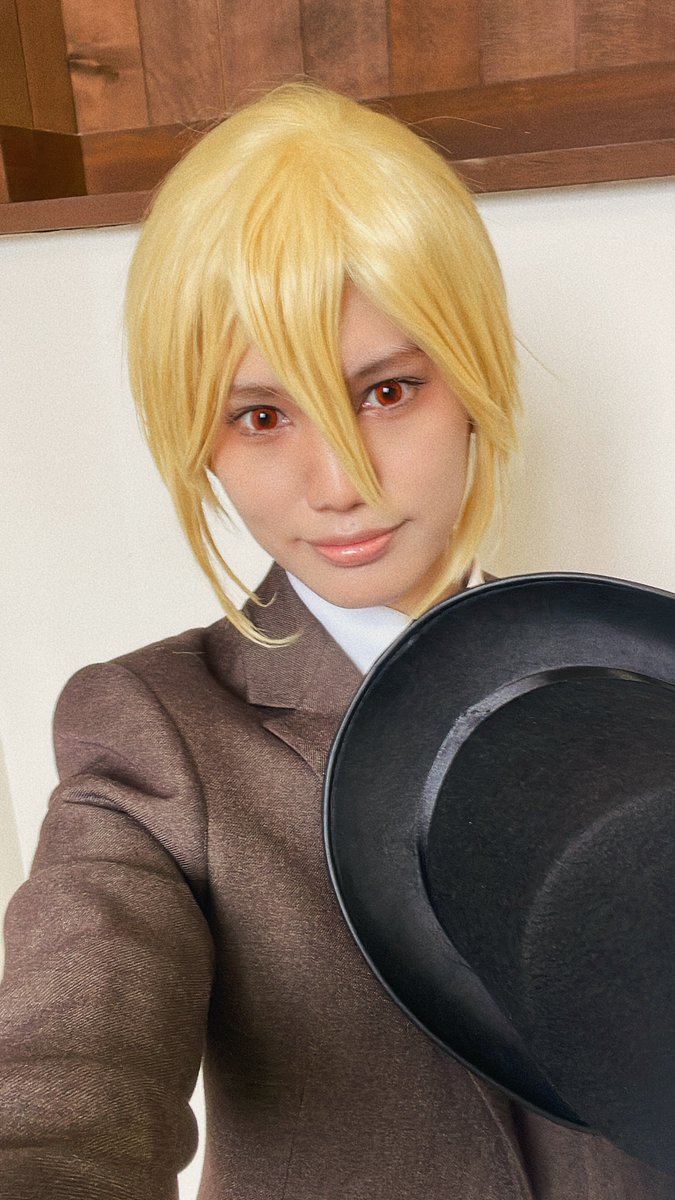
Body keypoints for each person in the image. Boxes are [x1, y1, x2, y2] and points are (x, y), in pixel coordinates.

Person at [0, 83, 671, 1200]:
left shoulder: (638, 677)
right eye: (262, 417)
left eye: (387, 390)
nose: (339, 483)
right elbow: (64, 1067)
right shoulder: (154, 734)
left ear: (472, 381)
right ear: (199, 437)